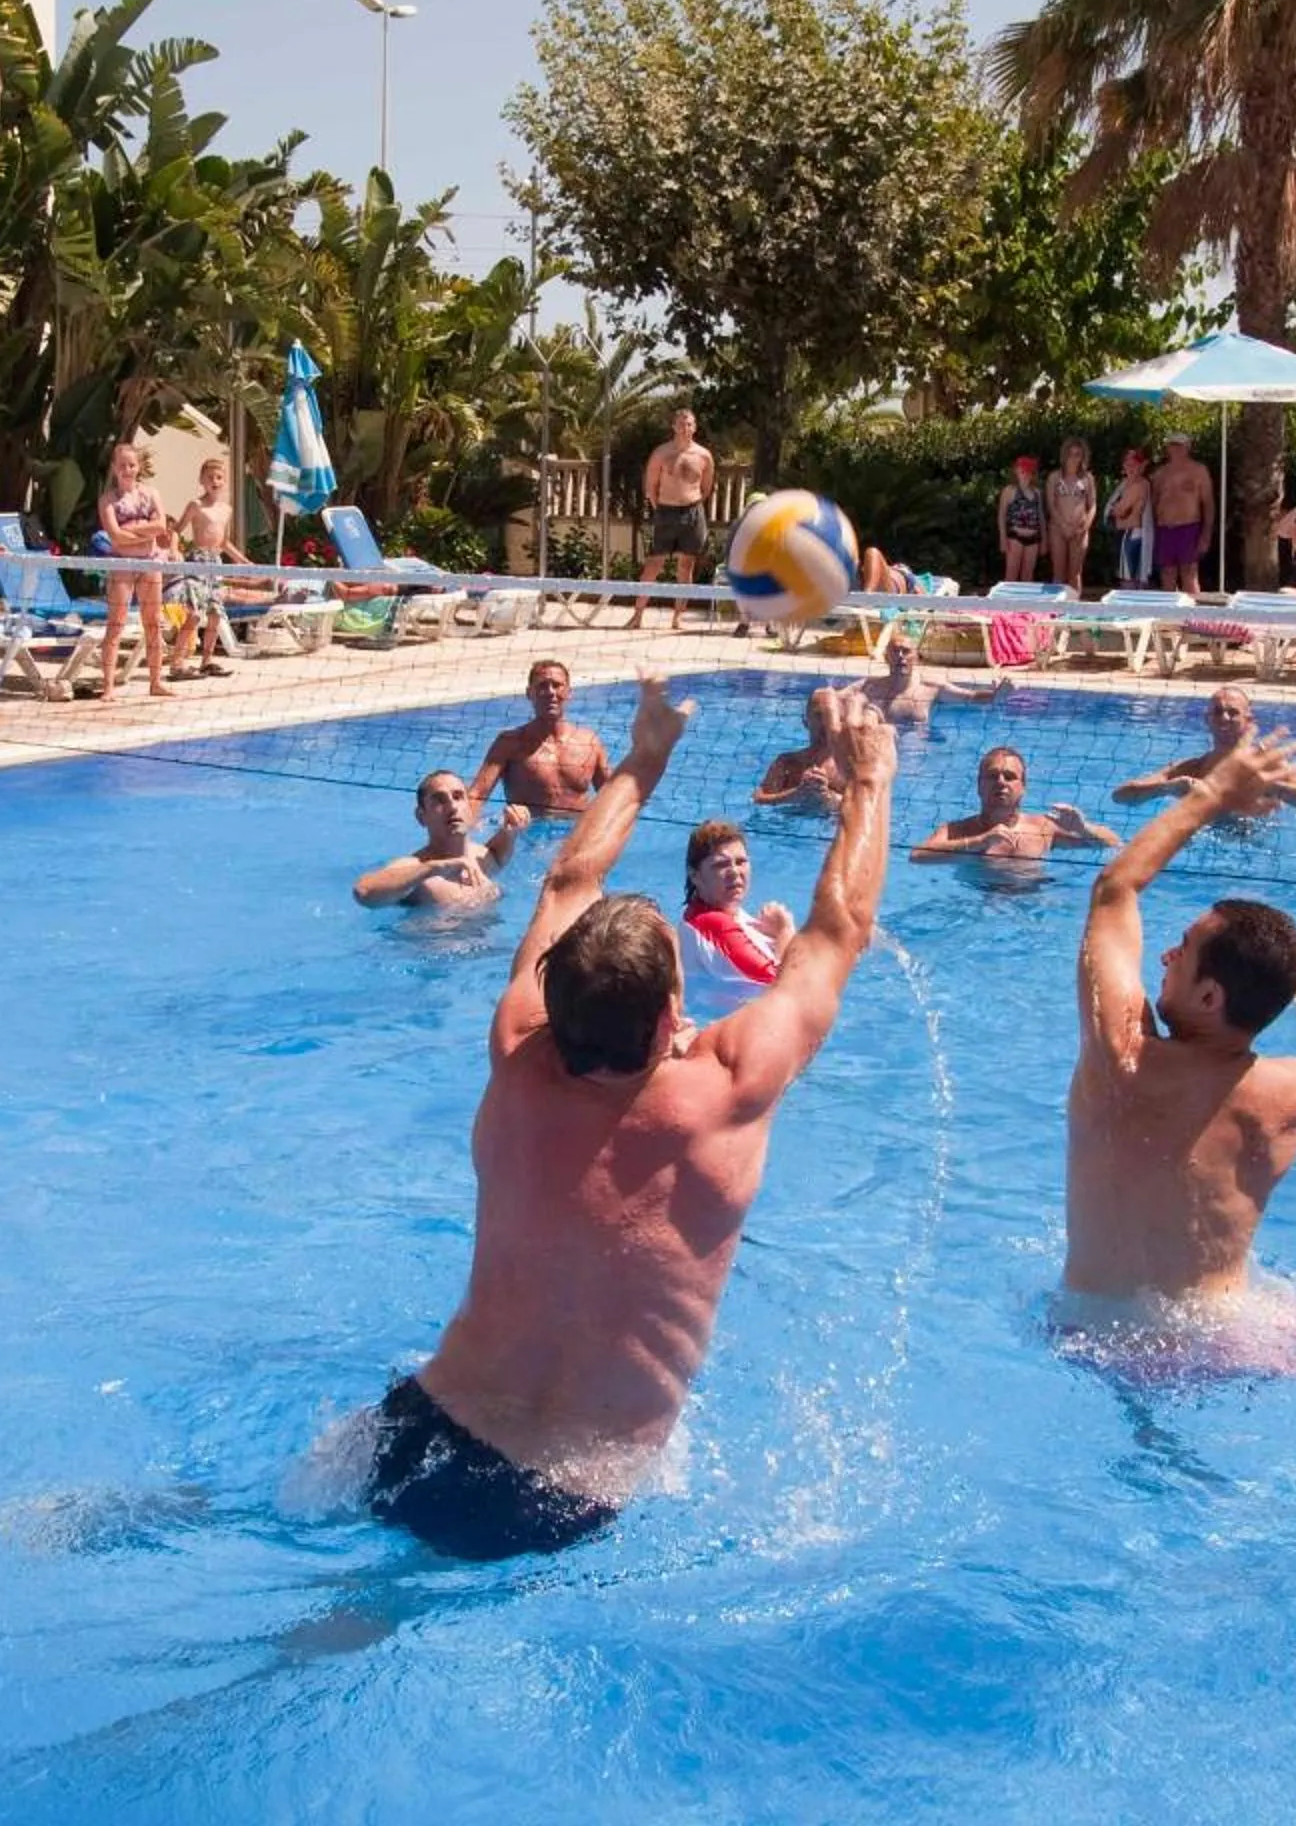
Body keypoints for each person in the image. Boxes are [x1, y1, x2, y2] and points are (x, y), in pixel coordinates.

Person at [343, 675, 896, 1560]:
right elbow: (839, 929)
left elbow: (570, 876)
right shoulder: (726, 1090)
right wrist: (870, 780)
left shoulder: (518, 1049)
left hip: (411, 1427)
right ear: (673, 1010)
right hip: (559, 1493)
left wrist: (645, 756)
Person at [1061, 743, 1296, 1303]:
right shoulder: (1286, 1096)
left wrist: (1211, 794)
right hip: (1227, 1338)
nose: (1165, 957)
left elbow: (1115, 891)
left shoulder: (1121, 1058)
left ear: (1209, 996)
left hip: (1092, 1328)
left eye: (1182, 950)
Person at [1114, 686, 1296, 809]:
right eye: (1217, 712)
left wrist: (1270, 786)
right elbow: (1121, 796)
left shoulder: (1269, 764)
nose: (1224, 718)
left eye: (1233, 712)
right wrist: (1166, 788)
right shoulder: (1194, 769)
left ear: (1249, 720)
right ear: (1207, 720)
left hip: (1256, 846)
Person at [353, 771, 532, 912]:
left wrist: (509, 832)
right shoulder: (416, 868)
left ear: (470, 809)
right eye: (439, 800)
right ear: (421, 816)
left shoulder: (482, 858)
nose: (452, 807)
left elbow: (497, 855)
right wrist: (434, 868)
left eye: (458, 796)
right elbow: (364, 892)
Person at [914, 745, 1123, 860]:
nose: (1001, 782)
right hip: (979, 901)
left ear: (1023, 787)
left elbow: (1114, 843)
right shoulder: (959, 830)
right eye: (992, 776)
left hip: (1033, 903)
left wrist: (1084, 829)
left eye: (1009, 776)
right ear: (979, 786)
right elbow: (918, 855)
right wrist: (978, 842)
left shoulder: (1043, 828)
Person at [680, 818, 798, 1010]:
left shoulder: (731, 915)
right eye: (720, 865)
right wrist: (785, 931)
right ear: (695, 875)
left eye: (741, 862)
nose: (735, 872)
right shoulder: (710, 924)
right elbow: (784, 984)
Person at [470, 659, 612, 814]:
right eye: (542, 686)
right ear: (529, 693)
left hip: (577, 830)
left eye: (557, 685)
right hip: (531, 831)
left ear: (568, 692)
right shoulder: (509, 743)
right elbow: (477, 795)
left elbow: (612, 796)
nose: (550, 692)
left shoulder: (589, 742)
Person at [94, 444, 177, 701]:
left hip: (150, 563)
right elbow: (115, 538)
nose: (127, 470)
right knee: (115, 624)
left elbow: (161, 526)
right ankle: (108, 686)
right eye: (122, 466)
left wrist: (133, 530)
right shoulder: (107, 500)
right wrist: (143, 530)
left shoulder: (151, 494)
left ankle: (156, 681)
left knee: (153, 624)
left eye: (131, 465)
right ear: (114, 469)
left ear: (139, 467)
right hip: (122, 565)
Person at [628, 408, 715, 631]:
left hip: (693, 512)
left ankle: (678, 617)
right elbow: (651, 486)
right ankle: (637, 615)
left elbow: (706, 488)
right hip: (666, 511)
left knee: (686, 566)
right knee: (653, 565)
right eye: (681, 424)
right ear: (674, 426)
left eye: (689, 424)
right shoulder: (661, 453)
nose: (685, 428)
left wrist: (691, 504)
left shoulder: (704, 455)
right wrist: (662, 509)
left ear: (695, 427)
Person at [168, 456, 245, 679]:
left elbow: (224, 542)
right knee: (193, 614)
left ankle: (207, 661)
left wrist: (244, 562)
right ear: (202, 480)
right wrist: (175, 550)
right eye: (210, 477)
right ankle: (177, 664)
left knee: (215, 615)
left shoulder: (226, 510)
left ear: (224, 481)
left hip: (216, 563)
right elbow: (176, 529)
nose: (215, 481)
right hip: (198, 561)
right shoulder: (196, 506)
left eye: (219, 477)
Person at [860, 634, 1004, 728]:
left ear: (916, 657)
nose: (900, 656)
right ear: (886, 657)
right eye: (895, 651)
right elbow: (840, 697)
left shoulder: (931, 688)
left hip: (916, 756)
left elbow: (971, 697)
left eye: (906, 651)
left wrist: (996, 694)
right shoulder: (870, 686)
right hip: (880, 756)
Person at [753, 687, 848, 811]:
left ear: (842, 723)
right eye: (819, 715)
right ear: (805, 721)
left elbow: (866, 806)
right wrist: (797, 794)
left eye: (831, 716)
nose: (825, 723)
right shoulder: (787, 762)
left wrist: (828, 797)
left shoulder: (850, 767)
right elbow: (757, 800)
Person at [1151, 435, 1217, 599]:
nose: (1176, 449)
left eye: (1180, 445)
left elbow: (1208, 503)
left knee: (1189, 573)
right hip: (1165, 528)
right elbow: (1153, 503)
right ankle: (1169, 614)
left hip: (1189, 527)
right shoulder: (1160, 474)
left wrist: (1206, 534)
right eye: (1173, 445)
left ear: (1188, 447)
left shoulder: (1199, 471)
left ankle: (1194, 615)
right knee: (1167, 573)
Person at [1045, 439, 1098, 590]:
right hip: (1058, 529)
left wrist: (1086, 525)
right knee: (1058, 572)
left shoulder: (1087, 478)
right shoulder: (1054, 477)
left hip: (1079, 530)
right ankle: (1057, 610)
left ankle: (1074, 609)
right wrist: (1062, 525)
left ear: (1083, 456)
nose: (1074, 458)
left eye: (1078, 454)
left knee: (1075, 573)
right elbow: (1051, 504)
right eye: (1070, 454)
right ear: (1064, 455)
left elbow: (1093, 505)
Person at [1103, 447, 1152, 587]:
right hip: (1127, 533)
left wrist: (1117, 514)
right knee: (1130, 578)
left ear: (1142, 466)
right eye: (1127, 463)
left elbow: (1119, 511)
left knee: (1129, 581)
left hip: (1130, 536)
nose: (1130, 467)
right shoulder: (1125, 484)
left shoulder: (1139, 485)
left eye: (1134, 464)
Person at [998, 455, 1047, 585]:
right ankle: (1007, 604)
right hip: (1015, 537)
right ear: (1016, 471)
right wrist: (1003, 538)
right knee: (1011, 574)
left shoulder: (1036, 493)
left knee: (1028, 575)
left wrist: (1044, 540)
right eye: (1022, 471)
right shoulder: (1009, 491)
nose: (1025, 474)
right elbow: (1001, 515)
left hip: (1033, 538)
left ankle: (1025, 605)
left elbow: (1041, 517)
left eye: (1028, 471)